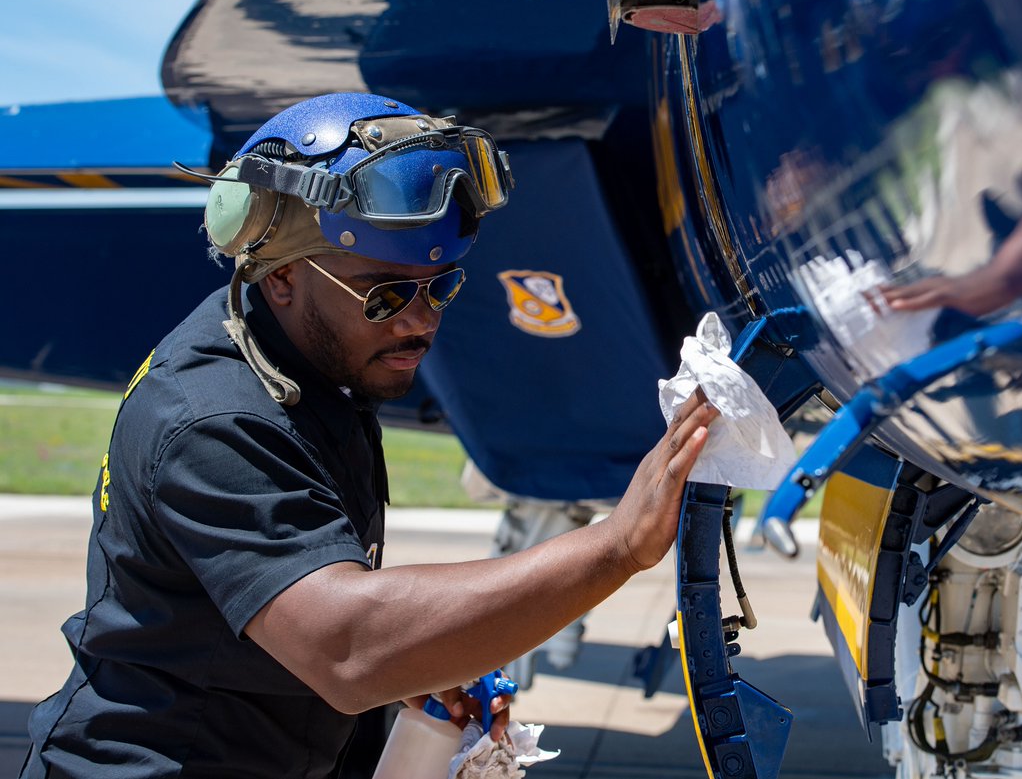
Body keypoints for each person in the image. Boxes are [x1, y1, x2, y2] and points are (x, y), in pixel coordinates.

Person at [20, 92, 718, 779]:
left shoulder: (308, 367)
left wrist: (420, 662)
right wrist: (617, 544)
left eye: (440, 287)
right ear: (286, 276)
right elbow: (348, 648)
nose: (420, 321)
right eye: (386, 295)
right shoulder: (213, 418)